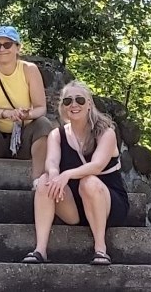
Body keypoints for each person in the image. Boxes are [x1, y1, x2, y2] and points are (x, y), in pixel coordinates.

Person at [22, 80, 129, 265]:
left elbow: (96, 166)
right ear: (62, 107)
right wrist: (54, 175)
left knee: (89, 181)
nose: (74, 105)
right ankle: (40, 250)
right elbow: (52, 162)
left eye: (79, 100)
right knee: (45, 180)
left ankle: (101, 250)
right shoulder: (57, 134)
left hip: (107, 202)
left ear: (89, 104)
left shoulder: (106, 132)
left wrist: (67, 175)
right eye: (68, 101)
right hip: (74, 208)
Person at [0, 26, 52, 189]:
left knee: (43, 124)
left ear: (17, 47)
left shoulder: (29, 69)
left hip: (24, 135)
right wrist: (6, 114)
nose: (2, 49)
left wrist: (25, 114)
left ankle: (37, 179)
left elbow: (41, 108)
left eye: (7, 45)